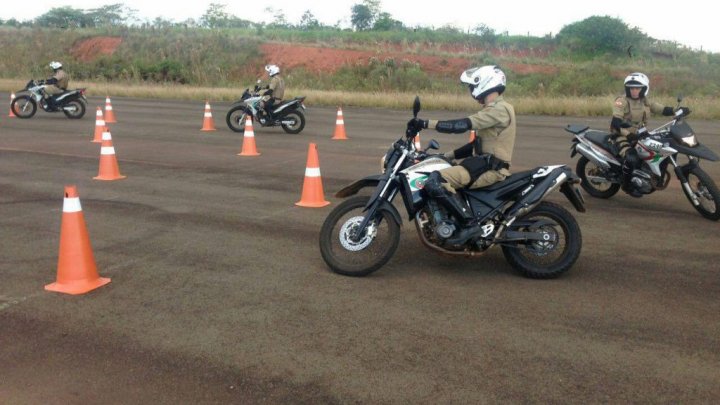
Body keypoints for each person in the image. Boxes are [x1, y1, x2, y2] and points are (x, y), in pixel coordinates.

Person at [408, 65, 516, 244]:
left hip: (491, 169)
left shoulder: (499, 110)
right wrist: (446, 155)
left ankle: (469, 225)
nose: (471, 91)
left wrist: (426, 123)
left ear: (486, 83)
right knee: (444, 169)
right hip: (483, 163)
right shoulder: (496, 109)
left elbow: (462, 125)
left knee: (435, 181)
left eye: (473, 86)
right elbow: (475, 145)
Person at [610, 72, 687, 196]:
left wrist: (677, 110)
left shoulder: (645, 101)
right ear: (627, 88)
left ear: (643, 89)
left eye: (637, 88)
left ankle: (649, 175)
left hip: (641, 134)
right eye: (631, 88)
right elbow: (615, 123)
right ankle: (627, 185)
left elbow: (661, 109)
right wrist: (628, 134)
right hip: (621, 135)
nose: (634, 90)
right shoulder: (621, 101)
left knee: (659, 149)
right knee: (632, 157)